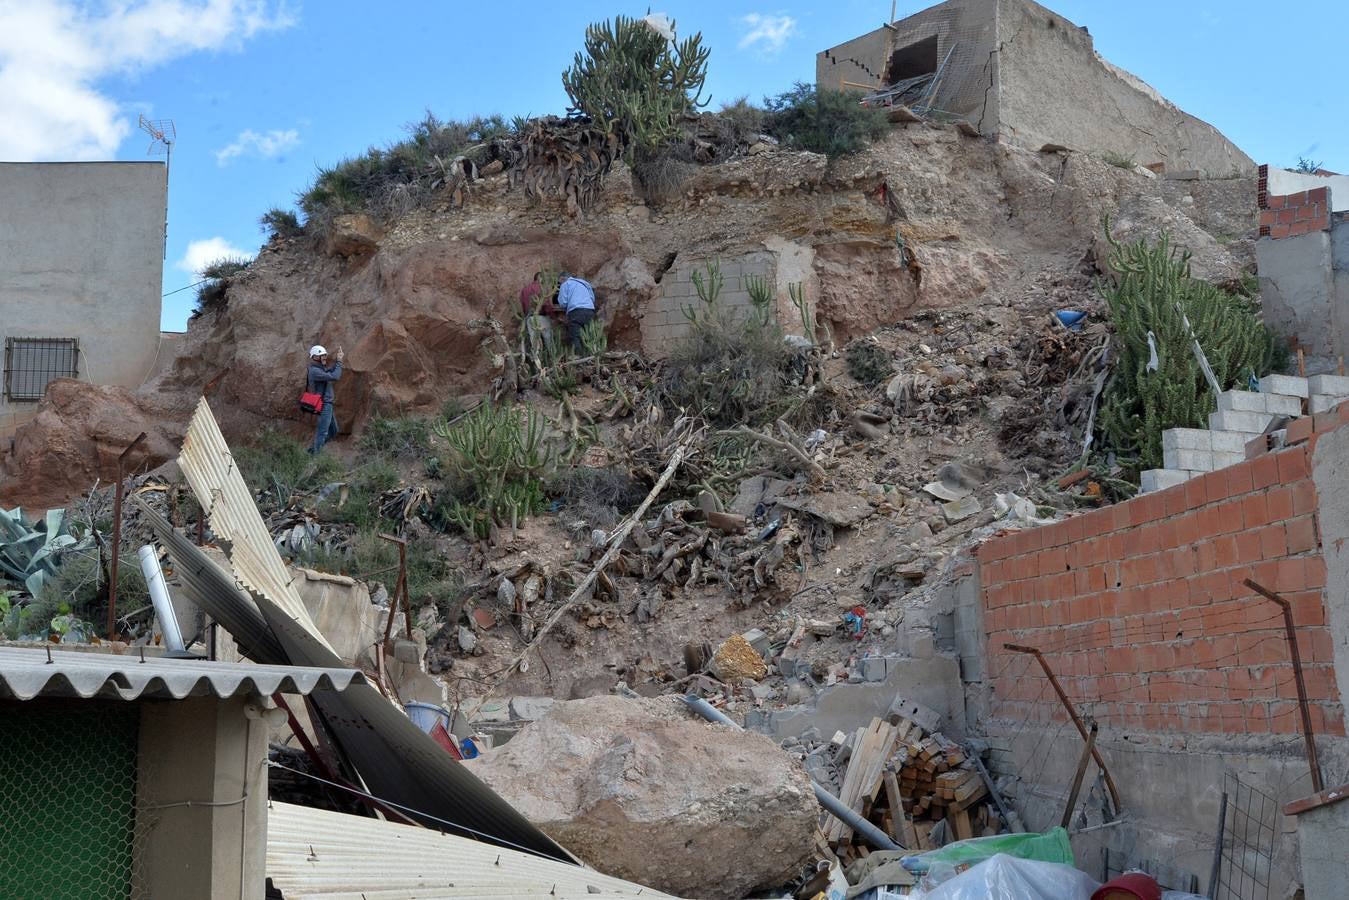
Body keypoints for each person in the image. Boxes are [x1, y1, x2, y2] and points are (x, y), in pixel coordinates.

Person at [306, 343, 344, 454]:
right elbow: (335, 376)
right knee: (322, 432)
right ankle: (315, 458)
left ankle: (313, 451)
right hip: (323, 405)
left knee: (333, 431)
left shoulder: (320, 369)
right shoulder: (315, 371)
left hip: (327, 405)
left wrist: (338, 359)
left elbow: (331, 371)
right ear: (315, 357)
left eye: (324, 355)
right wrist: (339, 361)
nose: (324, 357)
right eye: (322, 355)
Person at [556, 271, 596, 351]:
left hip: (576, 311)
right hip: (590, 310)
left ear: (563, 278)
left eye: (559, 282)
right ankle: (592, 354)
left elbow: (563, 302)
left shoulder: (565, 284)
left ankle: (579, 356)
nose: (560, 284)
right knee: (589, 333)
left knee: (575, 334)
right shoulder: (584, 283)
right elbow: (592, 298)